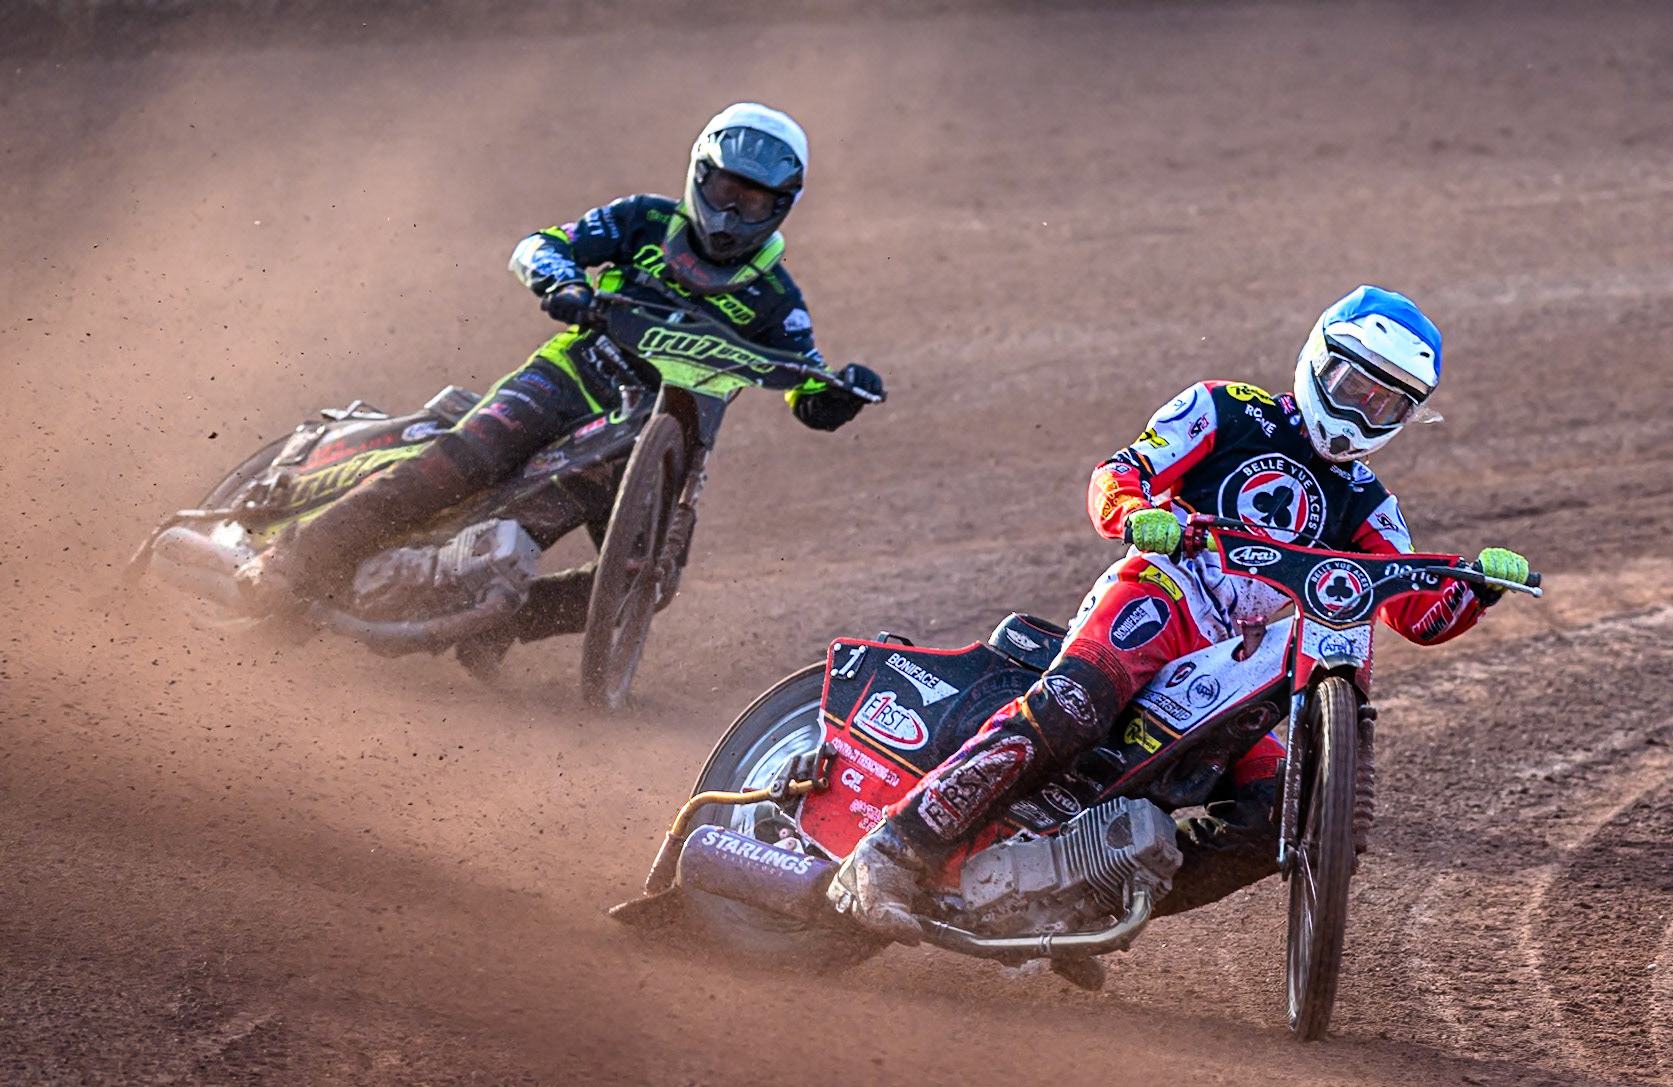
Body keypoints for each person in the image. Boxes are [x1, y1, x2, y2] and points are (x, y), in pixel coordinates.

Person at [837, 285, 1532, 940]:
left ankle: (1083, 905)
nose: (1359, 413)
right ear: (1318, 362)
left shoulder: (1367, 503)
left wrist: (1477, 586)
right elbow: (1118, 473)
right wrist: (1138, 513)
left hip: (1258, 663)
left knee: (1274, 821)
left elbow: (1416, 611)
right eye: (1353, 388)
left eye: (1384, 405)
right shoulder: (1224, 409)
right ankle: (892, 848)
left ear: (1406, 417)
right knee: (1073, 704)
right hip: (1168, 592)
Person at [237, 102, 884, 644]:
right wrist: (562, 282)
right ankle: (295, 558)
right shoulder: (644, 221)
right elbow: (541, 244)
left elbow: (804, 380)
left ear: (781, 207)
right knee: (463, 461)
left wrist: (835, 396)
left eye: (753, 202)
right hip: (567, 379)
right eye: (724, 193)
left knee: (641, 581)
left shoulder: (777, 299)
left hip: (656, 442)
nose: (733, 214)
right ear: (699, 178)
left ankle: (491, 625)